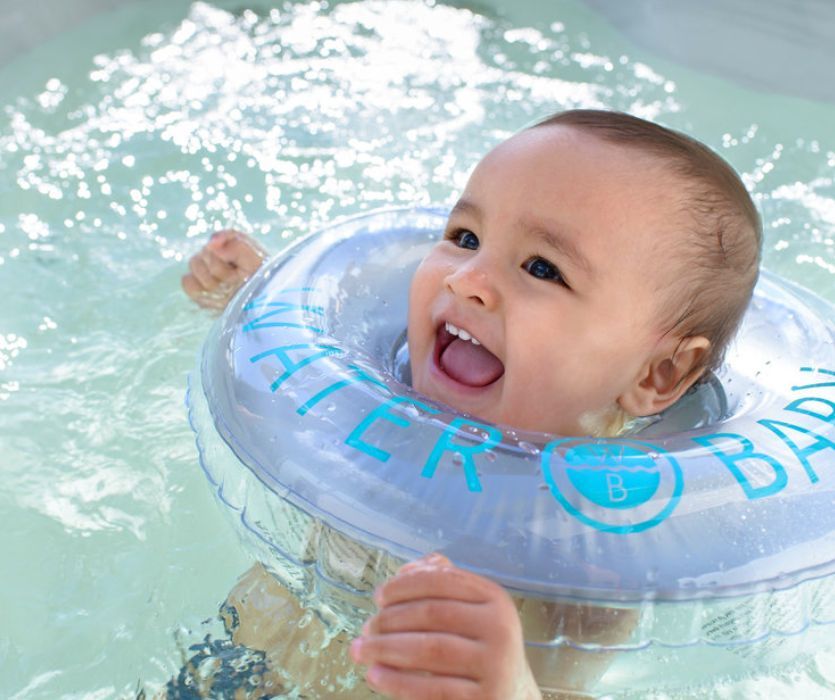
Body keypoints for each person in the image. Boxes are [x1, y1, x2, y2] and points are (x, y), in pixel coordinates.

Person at [181, 109, 761, 698]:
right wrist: (259, 301)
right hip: (231, 665)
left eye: (543, 268)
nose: (467, 279)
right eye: (465, 237)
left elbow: (563, 690)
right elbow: (310, 379)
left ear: (660, 373)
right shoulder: (378, 396)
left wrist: (510, 686)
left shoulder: (587, 556)